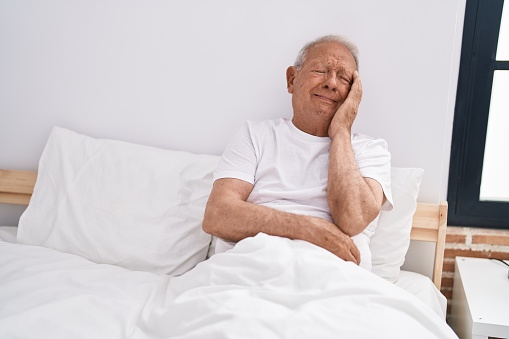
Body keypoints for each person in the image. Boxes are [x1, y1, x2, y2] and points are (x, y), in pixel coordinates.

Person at [202, 35, 393, 270]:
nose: (331, 83)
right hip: (251, 268)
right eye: (321, 70)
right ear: (292, 79)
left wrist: (342, 131)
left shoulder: (370, 150)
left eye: (343, 77)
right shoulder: (255, 135)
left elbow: (353, 219)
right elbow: (217, 215)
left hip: (334, 276)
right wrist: (308, 229)